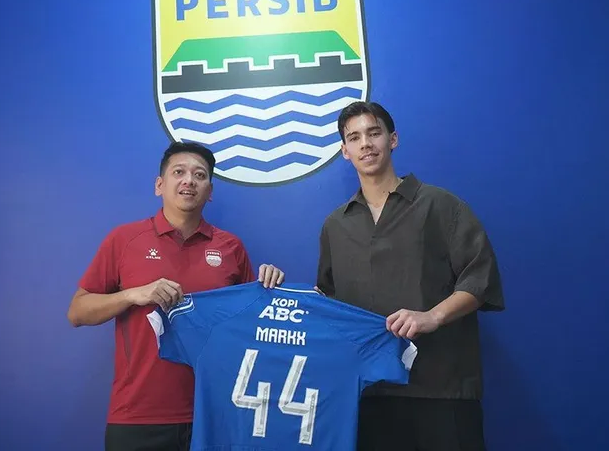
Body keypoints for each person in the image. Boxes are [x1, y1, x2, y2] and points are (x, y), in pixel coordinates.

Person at [67, 141, 286, 451]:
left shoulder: (230, 247)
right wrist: (132, 295)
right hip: (138, 417)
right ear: (159, 185)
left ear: (210, 192)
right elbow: (77, 312)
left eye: (200, 175)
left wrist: (271, 288)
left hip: (215, 414)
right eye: (179, 172)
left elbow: (253, 326)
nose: (189, 181)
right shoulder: (124, 240)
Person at [316, 101, 504, 451]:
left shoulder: (441, 205)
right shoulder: (335, 225)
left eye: (374, 133)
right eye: (354, 138)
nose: (365, 144)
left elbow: (480, 279)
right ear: (344, 151)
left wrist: (433, 315)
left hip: (441, 388)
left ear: (393, 139)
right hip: (367, 392)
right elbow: (327, 302)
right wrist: (277, 293)